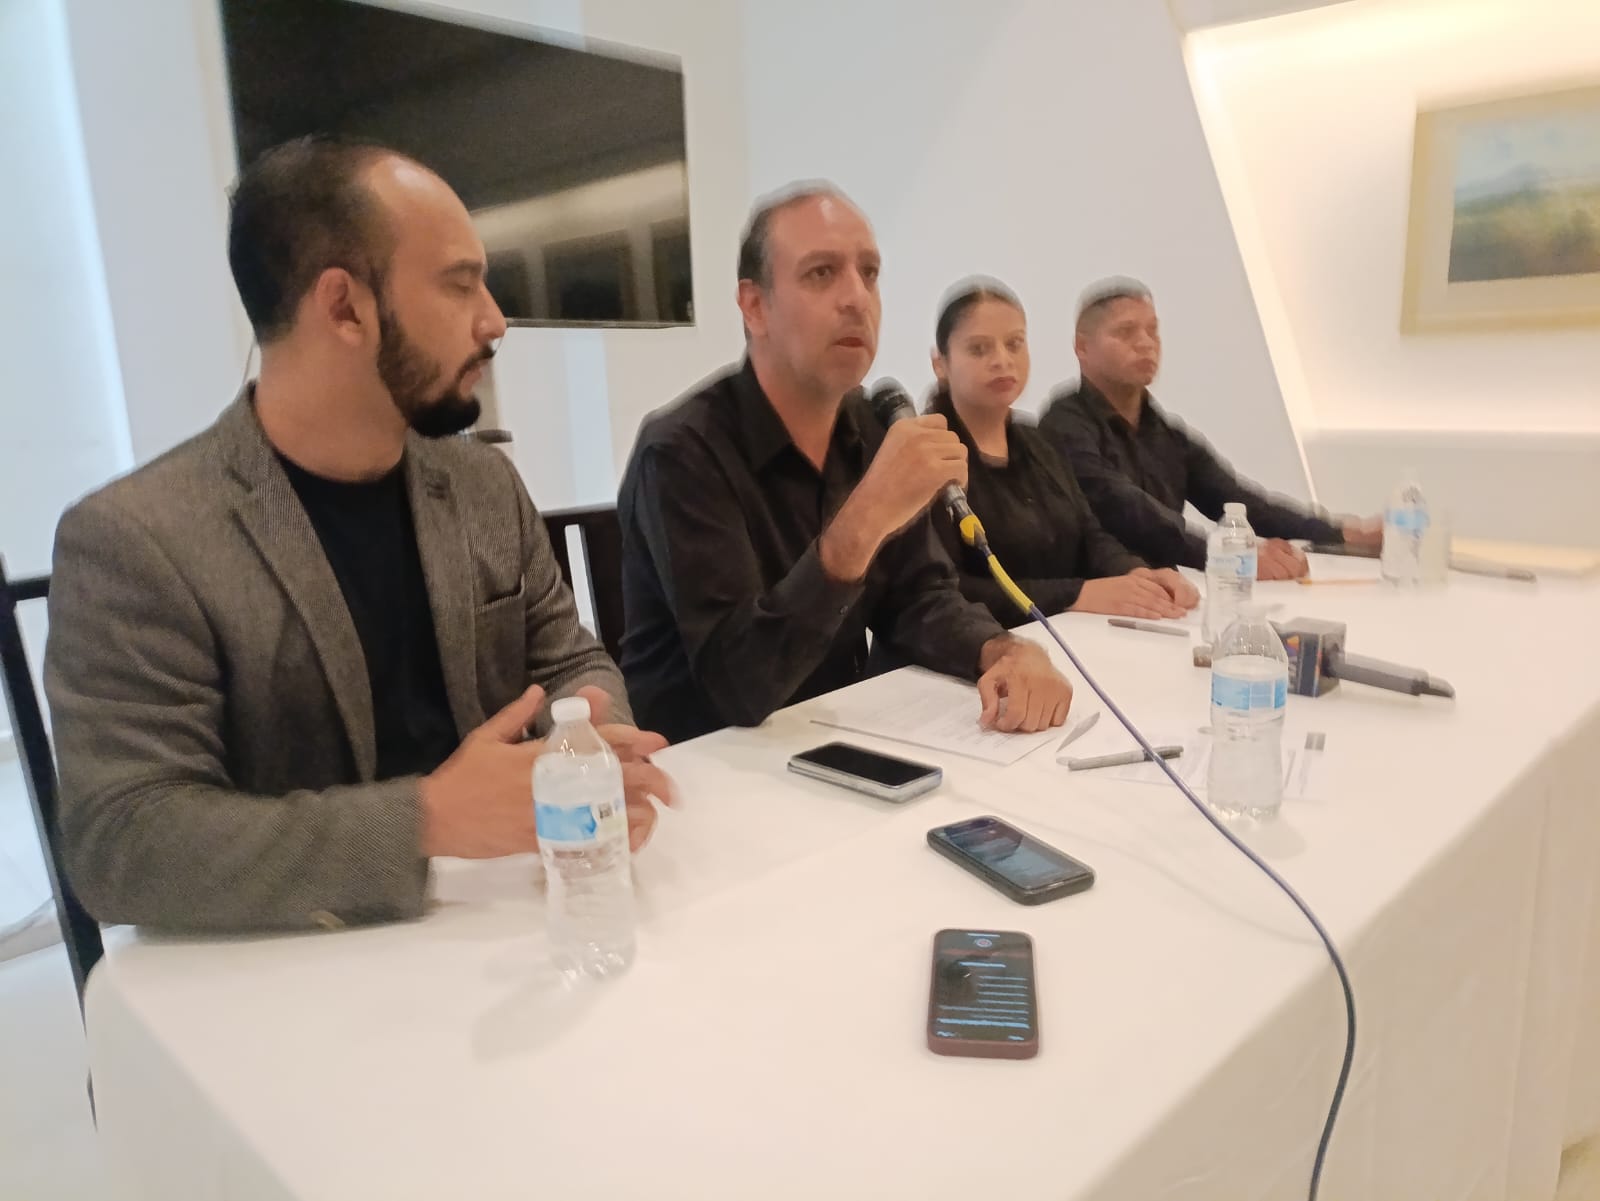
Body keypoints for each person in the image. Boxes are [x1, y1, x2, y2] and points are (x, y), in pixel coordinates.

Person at [43, 136, 673, 934]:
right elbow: (122, 841)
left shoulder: (480, 482)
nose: (495, 319)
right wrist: (426, 819)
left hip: (504, 922)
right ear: (344, 306)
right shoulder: (137, 539)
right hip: (291, 964)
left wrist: (591, 742)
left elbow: (567, 659)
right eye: (459, 285)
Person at [617, 184, 1074, 744]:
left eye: (870, 273)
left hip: (831, 738)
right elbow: (737, 686)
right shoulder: (682, 450)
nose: (858, 298)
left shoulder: (869, 425)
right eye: (821, 273)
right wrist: (864, 518)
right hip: (706, 762)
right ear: (755, 307)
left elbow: (918, 598)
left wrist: (999, 648)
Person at [1038, 278, 1380, 580]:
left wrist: (1343, 532)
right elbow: (1124, 508)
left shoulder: (1167, 433)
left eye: (1153, 331)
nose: (1146, 343)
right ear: (1082, 347)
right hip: (1093, 600)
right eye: (1126, 332)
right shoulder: (1064, 424)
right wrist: (1226, 556)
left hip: (1164, 594)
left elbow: (1237, 501)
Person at [924, 279, 1199, 627]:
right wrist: (1076, 594)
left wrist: (1137, 574)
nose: (1002, 360)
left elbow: (1090, 535)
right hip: (969, 650)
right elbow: (943, 590)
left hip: (1062, 634)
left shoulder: (1038, 441)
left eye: (1015, 344)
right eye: (979, 349)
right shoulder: (926, 454)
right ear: (940, 364)